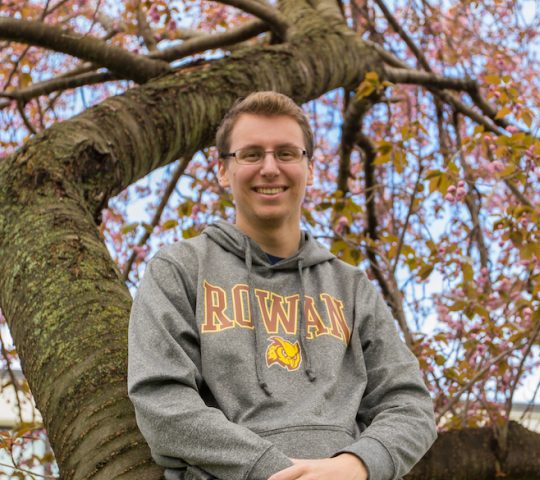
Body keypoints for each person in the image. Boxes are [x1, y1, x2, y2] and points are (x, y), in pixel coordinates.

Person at [128, 91, 437, 480]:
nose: (270, 168)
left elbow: (409, 404)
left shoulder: (351, 287)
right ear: (223, 169)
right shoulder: (179, 270)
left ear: (309, 167)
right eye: (252, 154)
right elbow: (162, 404)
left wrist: (355, 466)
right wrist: (272, 470)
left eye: (287, 153)